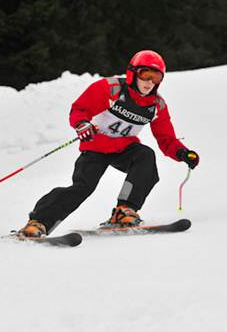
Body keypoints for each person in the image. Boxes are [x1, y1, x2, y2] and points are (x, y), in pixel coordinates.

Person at [19, 50, 199, 237]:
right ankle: (38, 223)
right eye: (145, 75)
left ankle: (124, 212)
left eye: (156, 77)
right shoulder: (111, 88)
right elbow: (80, 109)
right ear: (133, 73)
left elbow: (166, 138)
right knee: (83, 187)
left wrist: (182, 153)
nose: (149, 82)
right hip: (96, 147)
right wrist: (82, 124)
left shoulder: (156, 105)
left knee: (145, 156)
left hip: (124, 148)